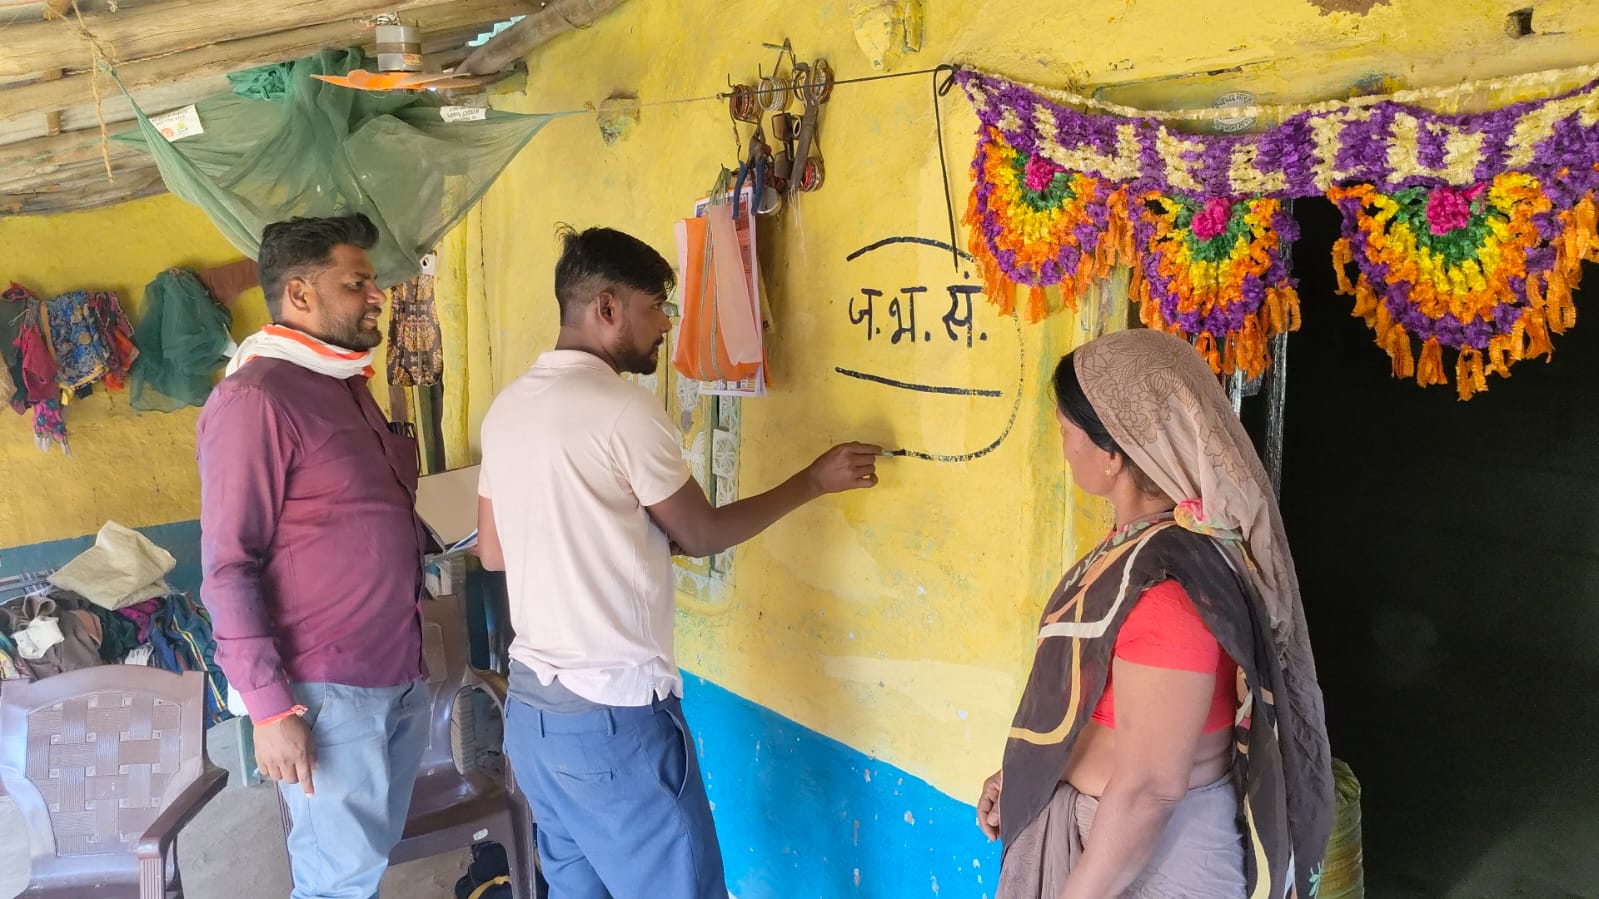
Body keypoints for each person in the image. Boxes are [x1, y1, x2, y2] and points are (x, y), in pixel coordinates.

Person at [475, 226, 880, 899]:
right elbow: (700, 531)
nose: (665, 324)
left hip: (534, 717)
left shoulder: (508, 406)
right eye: (655, 305)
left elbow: (493, 548)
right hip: (612, 720)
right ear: (606, 307)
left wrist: (612, 536)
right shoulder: (620, 408)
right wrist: (812, 479)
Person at [977, 328, 1334, 898]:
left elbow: (1149, 788)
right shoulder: (1139, 547)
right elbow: (1106, 712)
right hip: (1113, 837)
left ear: (1113, 455)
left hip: (1146, 857)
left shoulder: (1170, 587)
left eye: (1068, 432)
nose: (1065, 447)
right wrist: (1025, 772)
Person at [198, 213, 430, 899]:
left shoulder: (343, 387)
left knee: (361, 864)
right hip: (326, 689)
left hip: (393, 670)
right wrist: (270, 710)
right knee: (336, 883)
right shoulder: (257, 399)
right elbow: (227, 567)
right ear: (300, 294)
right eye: (357, 283)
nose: (376, 295)